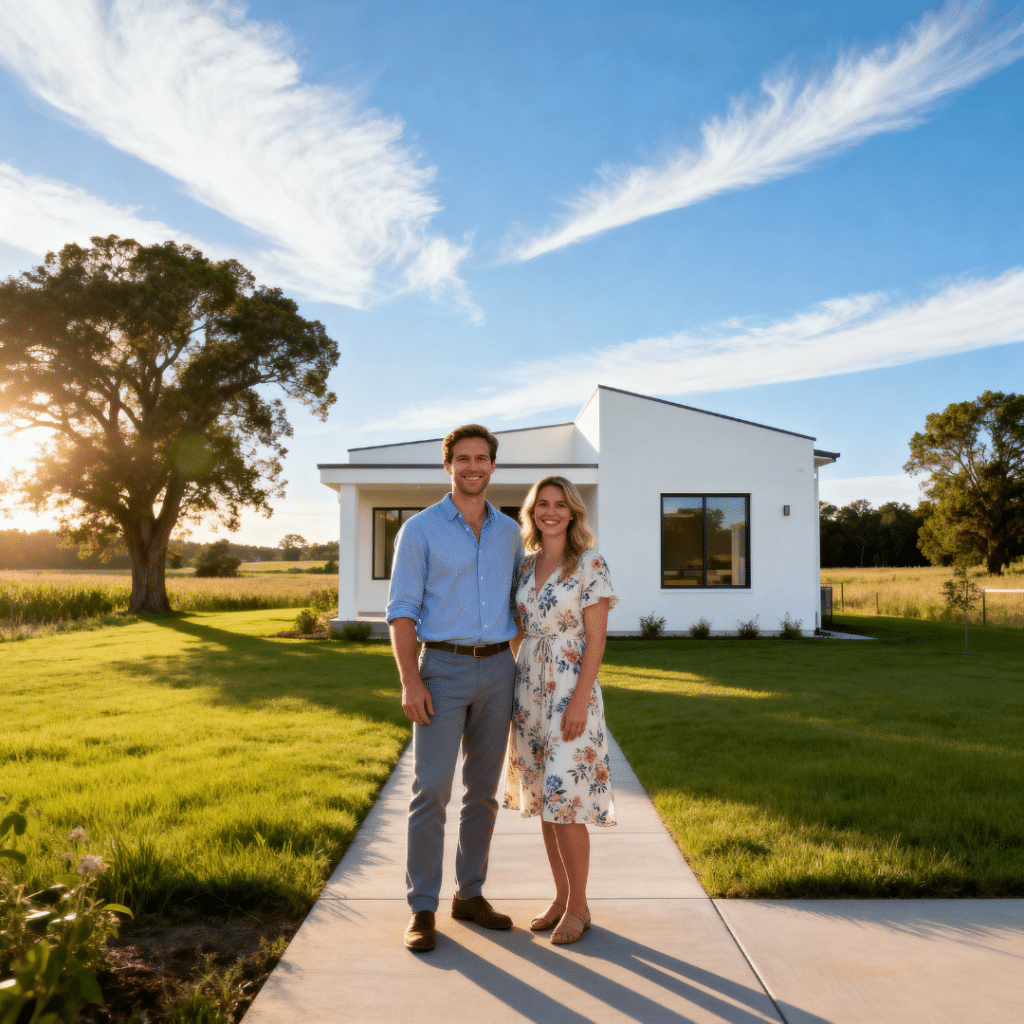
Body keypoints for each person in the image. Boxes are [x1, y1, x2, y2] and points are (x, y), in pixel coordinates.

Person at [387, 424, 524, 953]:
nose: (473, 466)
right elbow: (400, 610)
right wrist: (410, 680)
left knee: (484, 791)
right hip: (440, 669)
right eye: (462, 458)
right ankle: (422, 908)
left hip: (498, 671)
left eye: (482, 458)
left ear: (493, 466)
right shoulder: (420, 530)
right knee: (432, 790)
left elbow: (518, 606)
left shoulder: (510, 532)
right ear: (448, 465)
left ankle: (470, 895)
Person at [504, 475, 617, 945]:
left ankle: (580, 905)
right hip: (530, 693)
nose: (550, 512)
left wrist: (577, 699)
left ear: (572, 512)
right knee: (547, 803)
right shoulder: (524, 566)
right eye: (541, 505)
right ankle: (559, 896)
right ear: (532, 512)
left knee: (567, 804)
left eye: (559, 504)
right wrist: (524, 671)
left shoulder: (590, 562)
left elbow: (597, 639)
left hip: (574, 691)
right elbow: (515, 627)